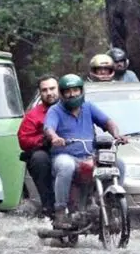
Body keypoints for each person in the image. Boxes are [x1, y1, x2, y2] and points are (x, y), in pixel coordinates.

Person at [44, 73, 127, 229]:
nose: (72, 94)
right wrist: (55, 137)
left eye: (75, 90)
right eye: (68, 91)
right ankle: (60, 212)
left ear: (81, 91)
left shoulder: (88, 107)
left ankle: (111, 205)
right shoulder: (55, 110)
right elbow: (49, 128)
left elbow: (107, 122)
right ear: (61, 93)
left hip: (90, 156)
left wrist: (117, 134)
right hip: (66, 156)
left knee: (119, 164)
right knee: (65, 166)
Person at [17, 75, 59, 218]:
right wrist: (42, 140)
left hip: (73, 150)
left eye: (52, 88)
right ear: (40, 93)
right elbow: (23, 139)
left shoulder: (73, 108)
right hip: (46, 153)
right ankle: (49, 206)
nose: (49, 93)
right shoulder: (33, 115)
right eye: (45, 90)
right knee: (39, 159)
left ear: (59, 89)